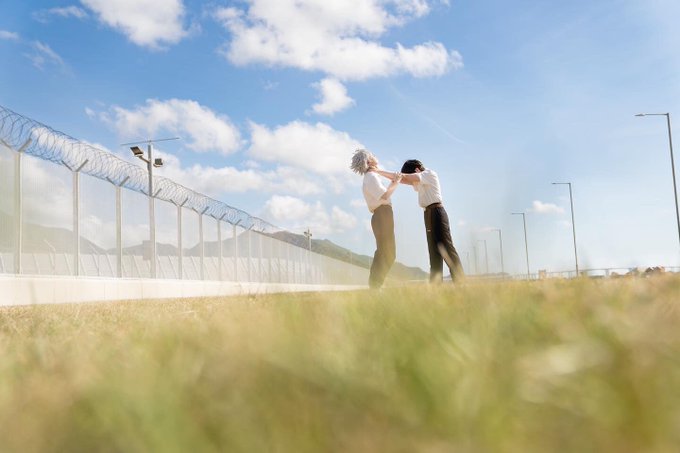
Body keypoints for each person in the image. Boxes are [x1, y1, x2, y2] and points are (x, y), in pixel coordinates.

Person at [377, 160, 464, 283]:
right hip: (428, 214)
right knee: (433, 252)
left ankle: (460, 281)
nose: (411, 182)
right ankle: (435, 286)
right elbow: (402, 179)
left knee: (446, 248)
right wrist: (378, 172)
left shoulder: (429, 173)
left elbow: (405, 177)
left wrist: (388, 173)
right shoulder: (419, 180)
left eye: (411, 175)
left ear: (417, 169)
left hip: (437, 212)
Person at [351, 149, 402, 289]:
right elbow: (385, 196)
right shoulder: (371, 177)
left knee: (384, 252)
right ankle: (375, 285)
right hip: (382, 214)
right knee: (387, 253)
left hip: (382, 214)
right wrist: (396, 182)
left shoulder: (372, 176)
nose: (375, 156)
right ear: (368, 161)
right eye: (372, 155)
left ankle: (375, 285)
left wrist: (393, 179)